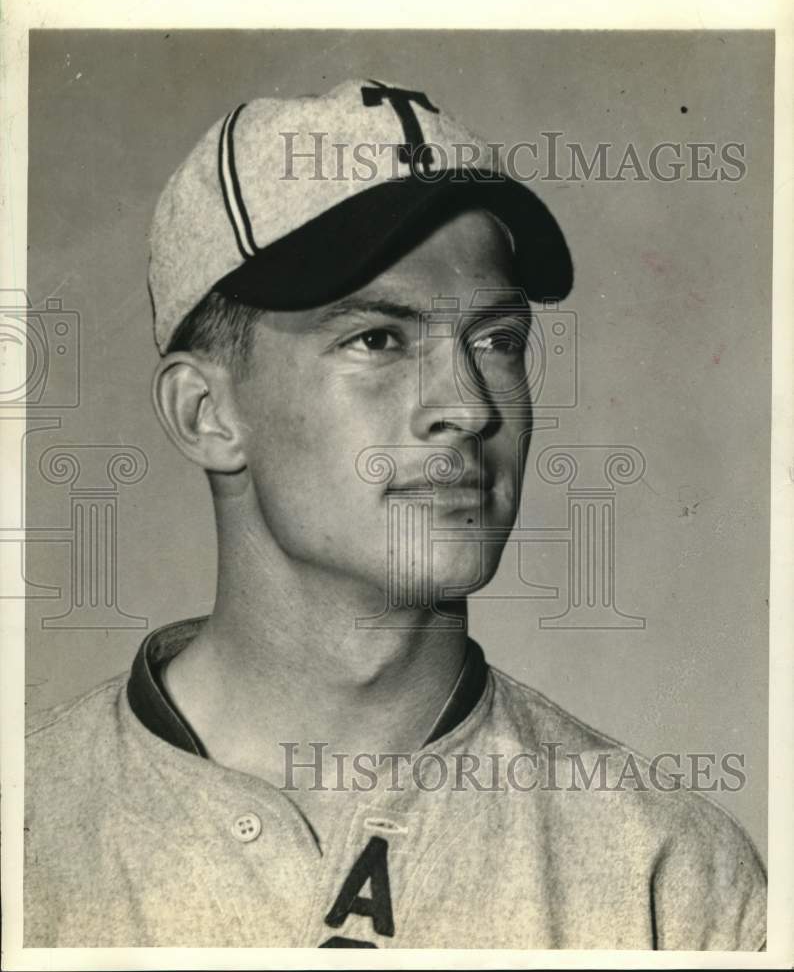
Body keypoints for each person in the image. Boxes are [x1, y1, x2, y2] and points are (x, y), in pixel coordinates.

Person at [25, 79, 766, 950]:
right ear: (206, 414)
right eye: (377, 338)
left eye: (496, 341)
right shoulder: (28, 833)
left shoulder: (674, 878)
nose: (471, 406)